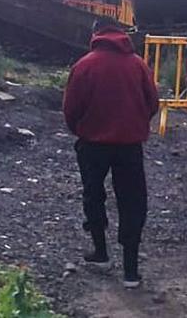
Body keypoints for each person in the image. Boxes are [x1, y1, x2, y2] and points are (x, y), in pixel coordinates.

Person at [63, 16, 160, 289]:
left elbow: (71, 109)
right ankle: (131, 271)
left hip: (93, 145)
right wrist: (136, 123)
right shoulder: (138, 65)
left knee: (94, 195)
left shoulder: (84, 66)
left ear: (96, 33)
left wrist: (83, 129)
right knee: (132, 203)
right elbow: (152, 102)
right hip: (130, 146)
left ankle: (101, 253)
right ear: (121, 34)